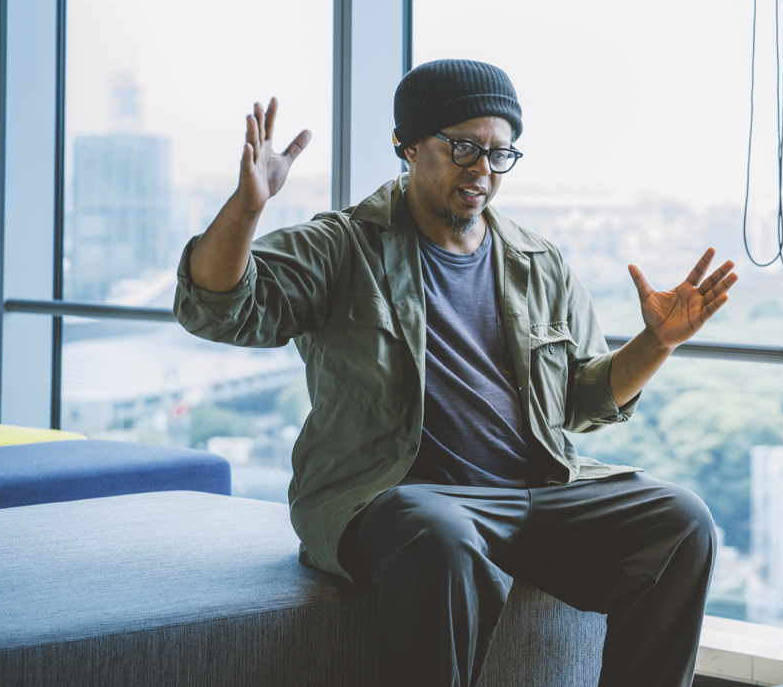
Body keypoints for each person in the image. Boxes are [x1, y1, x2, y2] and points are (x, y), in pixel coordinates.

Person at [174, 59, 736, 687]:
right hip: (399, 498)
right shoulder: (343, 245)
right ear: (409, 146)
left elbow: (580, 404)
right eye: (465, 148)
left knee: (681, 521)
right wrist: (247, 209)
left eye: (500, 154)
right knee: (439, 532)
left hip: (533, 491)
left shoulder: (538, 261)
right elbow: (215, 308)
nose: (482, 170)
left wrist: (656, 343)